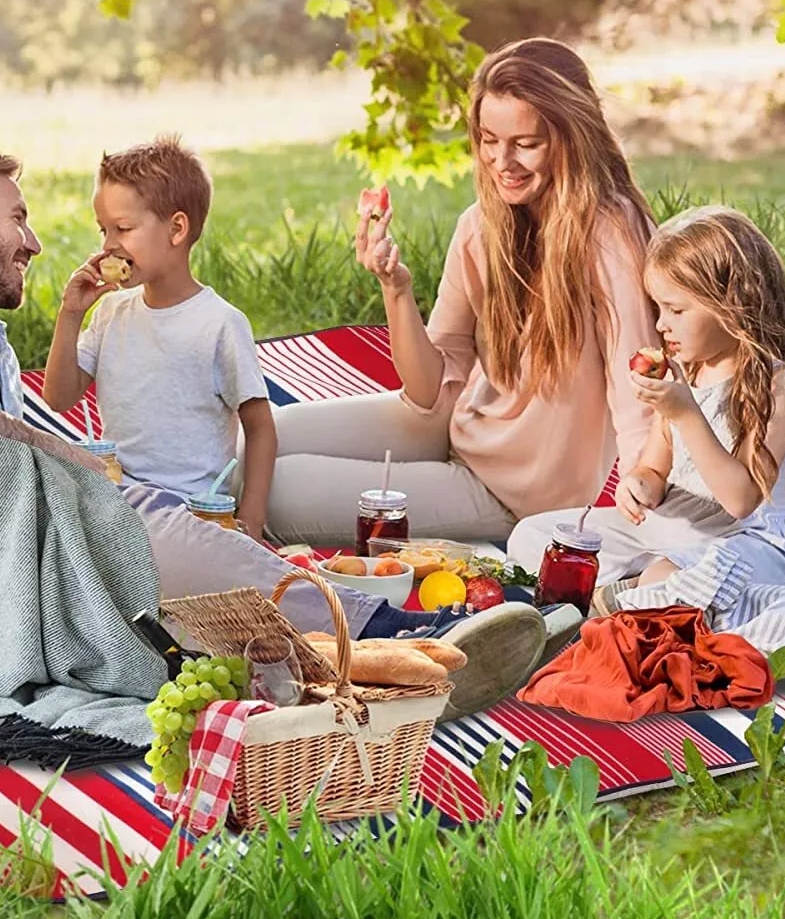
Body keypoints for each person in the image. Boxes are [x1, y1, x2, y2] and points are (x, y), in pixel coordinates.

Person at [0, 148, 556, 720]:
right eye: (16, 216)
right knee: (120, 519)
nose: (33, 242)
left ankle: (358, 672)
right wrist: (68, 457)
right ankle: (394, 629)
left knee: (132, 606)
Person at [263, 37, 663, 546]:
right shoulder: (481, 226)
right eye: (489, 139)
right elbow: (429, 393)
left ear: (571, 137)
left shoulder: (611, 237)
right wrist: (396, 287)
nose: (502, 161)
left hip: (511, 491)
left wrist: (647, 501)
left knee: (273, 489)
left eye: (526, 143)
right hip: (454, 427)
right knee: (258, 438)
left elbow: (640, 394)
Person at [506, 206, 785, 685]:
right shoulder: (687, 372)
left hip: (744, 543)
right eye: (658, 308)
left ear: (732, 305)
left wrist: (686, 413)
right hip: (670, 534)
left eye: (677, 310)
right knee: (535, 538)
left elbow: (742, 498)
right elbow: (654, 467)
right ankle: (634, 604)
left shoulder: (775, 384)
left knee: (668, 584)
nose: (661, 325)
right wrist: (638, 484)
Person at [40, 137, 277, 540]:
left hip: (191, 514)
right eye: (104, 230)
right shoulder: (111, 313)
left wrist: (251, 524)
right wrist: (71, 314)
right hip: (117, 502)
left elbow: (260, 429)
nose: (108, 244)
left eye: (124, 228)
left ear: (177, 229)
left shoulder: (218, 324)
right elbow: (58, 398)